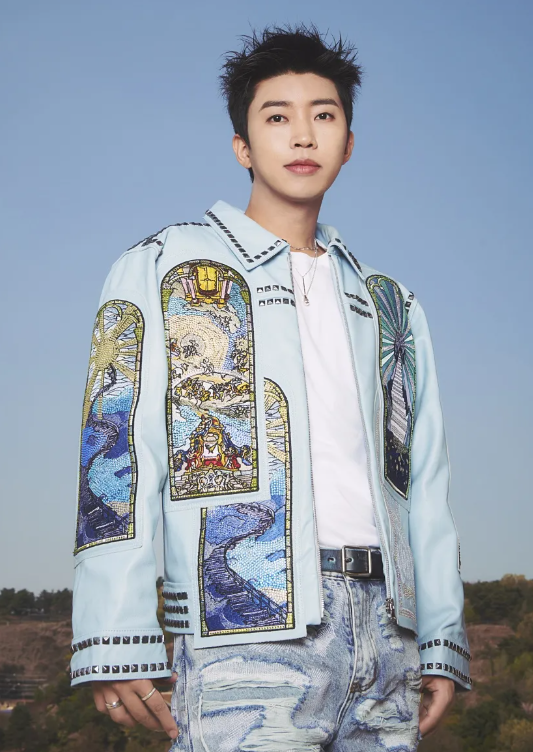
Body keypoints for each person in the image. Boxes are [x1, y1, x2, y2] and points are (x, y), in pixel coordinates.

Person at [71, 25, 472, 751]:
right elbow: (115, 450)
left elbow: (425, 481)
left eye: (324, 115)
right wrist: (114, 633)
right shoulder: (165, 266)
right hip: (243, 629)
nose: (303, 134)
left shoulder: (391, 305)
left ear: (348, 142)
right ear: (243, 146)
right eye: (277, 115)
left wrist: (440, 636)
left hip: (389, 637)